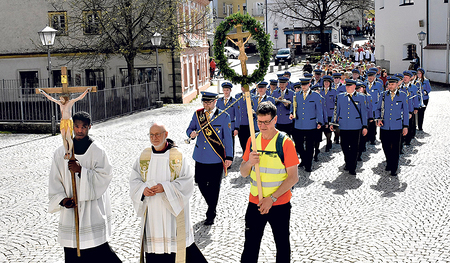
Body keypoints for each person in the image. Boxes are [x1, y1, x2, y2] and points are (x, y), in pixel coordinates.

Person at [48, 111, 121, 263]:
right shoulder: (61, 152)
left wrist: (81, 171)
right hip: (71, 212)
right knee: (72, 252)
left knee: (100, 251)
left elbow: (105, 176)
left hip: (91, 211)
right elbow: (55, 179)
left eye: (84, 127)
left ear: (90, 127)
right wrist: (62, 200)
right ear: (72, 127)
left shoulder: (97, 150)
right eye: (77, 126)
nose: (80, 130)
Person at [129, 123, 208, 263]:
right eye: (151, 135)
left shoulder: (177, 156)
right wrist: (142, 189)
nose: (154, 138)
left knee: (180, 251)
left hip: (173, 215)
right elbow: (134, 179)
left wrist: (165, 188)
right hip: (152, 215)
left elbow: (187, 181)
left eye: (158, 134)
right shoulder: (144, 156)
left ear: (166, 134)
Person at [240, 101, 299, 263]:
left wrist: (271, 199)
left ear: (275, 120)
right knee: (250, 246)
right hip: (255, 202)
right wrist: (249, 163)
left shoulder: (285, 142)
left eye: (266, 122)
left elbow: (293, 177)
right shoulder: (252, 141)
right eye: (259, 122)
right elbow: (243, 173)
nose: (263, 126)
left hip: (279, 204)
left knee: (282, 245)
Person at [186, 91, 233, 225]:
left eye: (209, 102)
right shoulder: (198, 114)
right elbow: (189, 129)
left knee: (214, 187)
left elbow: (228, 139)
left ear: (215, 102)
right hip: (200, 157)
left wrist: (229, 156)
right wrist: (191, 133)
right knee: (200, 183)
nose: (206, 105)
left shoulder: (224, 116)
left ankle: (211, 212)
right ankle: (211, 204)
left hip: (216, 158)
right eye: (204, 102)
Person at [39, 88, 92, 159]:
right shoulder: (60, 103)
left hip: (68, 121)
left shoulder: (70, 102)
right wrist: (43, 93)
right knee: (63, 138)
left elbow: (79, 97)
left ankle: (70, 151)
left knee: (69, 137)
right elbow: (51, 98)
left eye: (62, 98)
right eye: (60, 98)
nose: (61, 100)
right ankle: (66, 151)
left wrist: (86, 91)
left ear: (66, 98)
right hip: (63, 121)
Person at [330, 79, 368, 175]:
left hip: (356, 126)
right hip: (343, 126)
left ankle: (352, 167)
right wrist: (333, 123)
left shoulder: (361, 97)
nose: (348, 88)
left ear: (355, 87)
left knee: (355, 147)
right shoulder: (340, 97)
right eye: (347, 86)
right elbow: (336, 111)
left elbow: (364, 112)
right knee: (344, 146)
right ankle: (348, 161)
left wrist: (365, 126)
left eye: (350, 86)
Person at [375, 76, 409, 176]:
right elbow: (377, 109)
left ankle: (394, 167)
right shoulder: (383, 95)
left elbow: (406, 112)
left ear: (397, 85)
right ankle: (389, 161)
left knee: (395, 148)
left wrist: (405, 126)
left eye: (392, 84)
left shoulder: (402, 95)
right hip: (385, 126)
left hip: (397, 126)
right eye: (389, 84)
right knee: (385, 146)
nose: (390, 86)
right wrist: (378, 118)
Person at [290, 78, 323, 172]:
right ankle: (304, 159)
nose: (303, 87)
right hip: (299, 124)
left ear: (309, 84)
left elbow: (319, 110)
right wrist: (291, 113)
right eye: (302, 85)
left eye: (305, 85)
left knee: (309, 146)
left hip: (311, 124)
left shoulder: (316, 95)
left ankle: (308, 164)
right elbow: (293, 107)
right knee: (298, 146)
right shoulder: (296, 95)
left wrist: (320, 122)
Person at [217, 82, 240, 156]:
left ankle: (229, 161)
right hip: (220, 126)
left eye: (227, 90)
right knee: (220, 143)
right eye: (224, 90)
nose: (226, 92)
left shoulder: (234, 101)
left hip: (231, 126)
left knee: (229, 144)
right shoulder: (219, 101)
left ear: (230, 91)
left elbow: (238, 116)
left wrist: (236, 128)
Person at [364, 70, 383, 145]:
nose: (370, 78)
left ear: (374, 77)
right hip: (366, 106)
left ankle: (373, 138)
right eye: (369, 76)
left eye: (371, 76)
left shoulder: (378, 84)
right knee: (366, 122)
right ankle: (367, 137)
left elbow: (381, 95)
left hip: (374, 107)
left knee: (373, 123)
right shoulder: (364, 84)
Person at [320, 75, 338, 152]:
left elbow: (336, 103)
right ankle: (329, 140)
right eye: (325, 82)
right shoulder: (320, 91)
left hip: (330, 113)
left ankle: (328, 142)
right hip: (322, 114)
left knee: (329, 130)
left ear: (330, 83)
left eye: (328, 82)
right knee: (324, 129)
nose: (326, 83)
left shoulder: (334, 91)